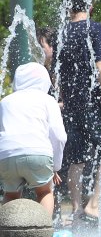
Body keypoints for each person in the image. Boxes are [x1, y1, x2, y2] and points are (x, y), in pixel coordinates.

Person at [55, 0, 101, 224]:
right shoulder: (95, 29)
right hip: (95, 103)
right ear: (89, 7)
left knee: (76, 159)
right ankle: (92, 206)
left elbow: (58, 74)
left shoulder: (61, 33)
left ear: (68, 8)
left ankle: (75, 209)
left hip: (71, 106)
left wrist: (62, 101)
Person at [0, 63, 67, 216]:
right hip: (38, 153)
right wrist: (55, 166)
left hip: (5, 155)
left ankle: (6, 236)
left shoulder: (5, 102)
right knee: (44, 192)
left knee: (10, 195)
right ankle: (42, 234)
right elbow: (59, 136)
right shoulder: (48, 100)